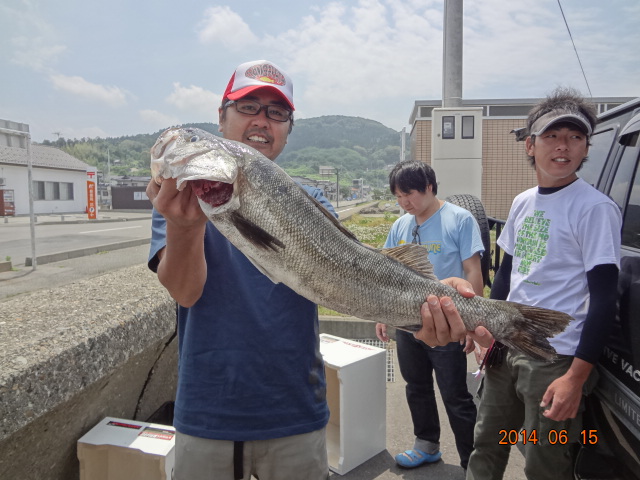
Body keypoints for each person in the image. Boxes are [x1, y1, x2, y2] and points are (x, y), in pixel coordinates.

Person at [146, 60, 336, 480]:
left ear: (288, 126)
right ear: (221, 115)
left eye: (277, 112)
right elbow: (185, 293)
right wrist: (185, 227)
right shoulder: (179, 193)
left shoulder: (312, 199)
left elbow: (342, 280)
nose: (262, 121)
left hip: (296, 408)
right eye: (249, 106)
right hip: (208, 410)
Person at [422, 87, 622, 480]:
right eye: (552, 136)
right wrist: (492, 336)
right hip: (508, 347)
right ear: (531, 145)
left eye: (575, 137)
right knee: (487, 445)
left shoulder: (595, 208)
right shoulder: (523, 202)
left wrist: (575, 378)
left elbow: (603, 299)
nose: (563, 146)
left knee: (545, 463)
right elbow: (506, 279)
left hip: (556, 359)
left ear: (585, 148)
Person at [375, 160, 483, 470]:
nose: (404, 202)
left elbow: (472, 270)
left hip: (448, 326)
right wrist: (384, 314)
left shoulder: (459, 219)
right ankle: (426, 444)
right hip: (409, 324)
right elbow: (387, 273)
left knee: (455, 394)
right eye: (398, 196)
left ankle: (473, 462)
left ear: (430, 187)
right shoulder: (401, 225)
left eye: (409, 193)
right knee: (416, 387)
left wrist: (473, 327)